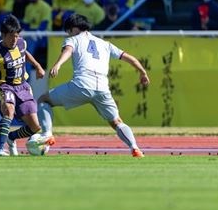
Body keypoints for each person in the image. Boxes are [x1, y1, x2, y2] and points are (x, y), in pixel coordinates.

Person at [36, 14, 150, 158]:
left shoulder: (73, 39)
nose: (68, 34)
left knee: (43, 100)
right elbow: (129, 58)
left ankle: (46, 135)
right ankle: (135, 148)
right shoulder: (105, 44)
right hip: (102, 87)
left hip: (81, 84)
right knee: (116, 121)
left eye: (69, 31)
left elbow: (68, 51)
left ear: (75, 29)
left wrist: (58, 64)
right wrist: (142, 72)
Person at [0, 15, 46, 156]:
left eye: (16, 36)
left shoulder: (21, 43)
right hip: (5, 87)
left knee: (35, 127)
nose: (14, 40)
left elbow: (25, 54)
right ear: (3, 35)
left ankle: (11, 138)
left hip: (23, 86)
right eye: (11, 36)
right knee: (8, 112)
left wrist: (38, 66)